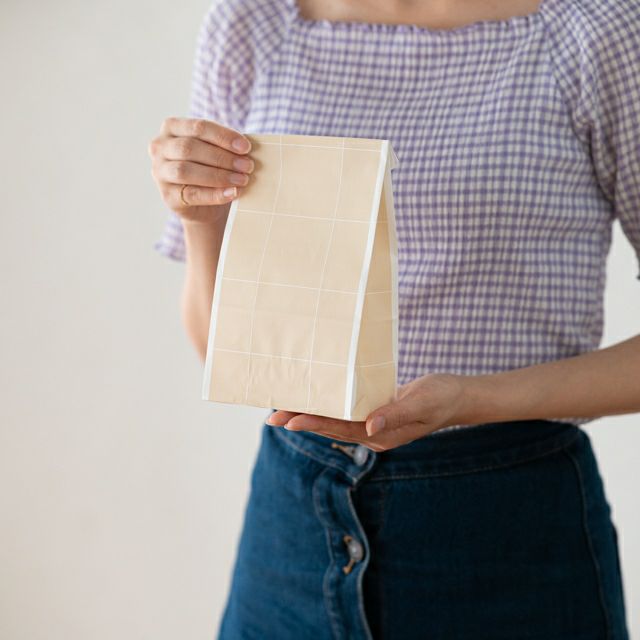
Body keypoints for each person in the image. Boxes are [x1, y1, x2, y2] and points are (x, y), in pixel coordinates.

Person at [149, 0, 639, 637]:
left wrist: (471, 398)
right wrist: (200, 218)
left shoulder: (598, 31)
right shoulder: (251, 24)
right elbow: (218, 346)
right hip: (290, 528)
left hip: (509, 530)